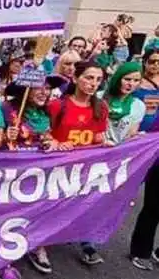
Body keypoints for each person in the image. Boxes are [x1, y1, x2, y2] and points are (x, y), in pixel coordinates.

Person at [45, 61, 109, 268]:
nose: (93, 84)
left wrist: (106, 144)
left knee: (86, 203)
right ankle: (41, 243)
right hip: (58, 166)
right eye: (89, 78)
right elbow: (44, 133)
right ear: (75, 78)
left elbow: (98, 136)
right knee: (53, 204)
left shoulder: (101, 107)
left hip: (86, 167)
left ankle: (86, 241)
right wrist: (53, 142)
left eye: (98, 80)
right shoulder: (57, 105)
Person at [102, 61, 144, 145]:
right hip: (97, 149)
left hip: (120, 151)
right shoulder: (99, 97)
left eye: (136, 80)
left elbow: (131, 134)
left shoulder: (138, 105)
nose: (131, 84)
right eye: (127, 79)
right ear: (118, 78)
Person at [134, 48, 159, 132]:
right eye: (152, 61)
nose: (156, 64)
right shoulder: (136, 81)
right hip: (141, 129)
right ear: (145, 62)